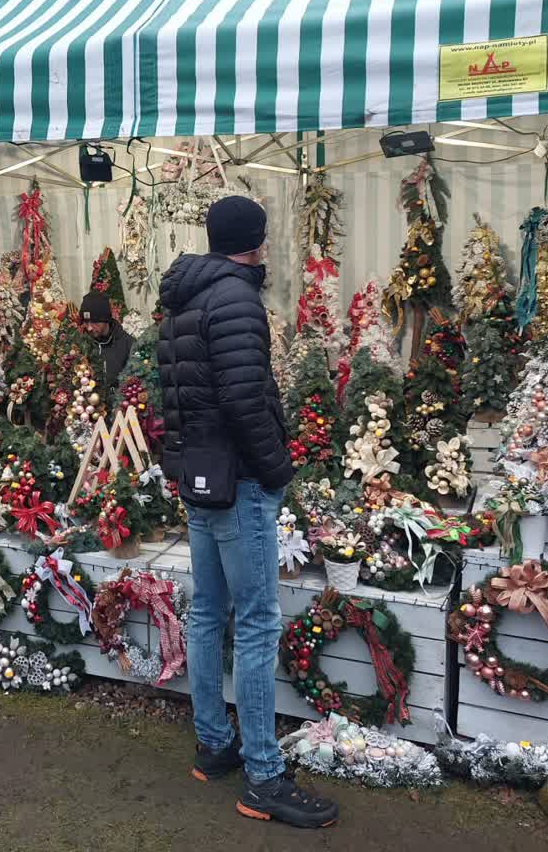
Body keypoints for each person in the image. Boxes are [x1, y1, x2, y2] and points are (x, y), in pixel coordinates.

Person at [156, 195, 340, 830]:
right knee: (258, 622)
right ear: (254, 242)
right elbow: (242, 399)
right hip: (239, 479)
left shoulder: (183, 297)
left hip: (201, 479)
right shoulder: (235, 298)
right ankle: (263, 775)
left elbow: (176, 396)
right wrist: (277, 468)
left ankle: (215, 744)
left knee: (209, 611)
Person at [79, 291, 133, 404]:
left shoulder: (127, 344)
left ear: (105, 319)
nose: (89, 328)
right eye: (86, 322)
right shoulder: (81, 344)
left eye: (94, 322)